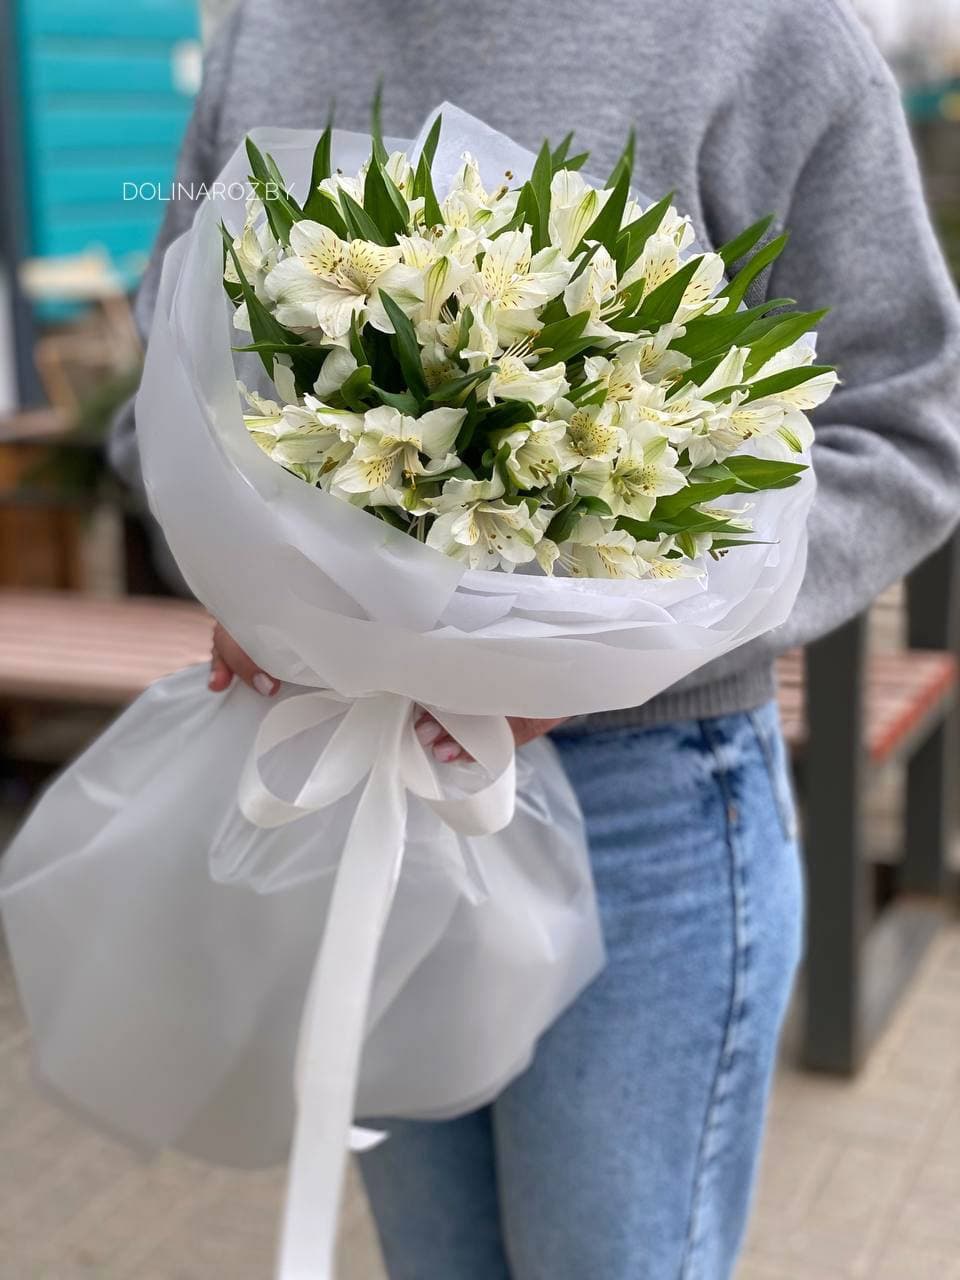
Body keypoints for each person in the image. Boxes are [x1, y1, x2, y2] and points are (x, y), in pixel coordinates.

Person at [109, 2, 960, 1275]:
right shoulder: (273, 30)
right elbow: (164, 394)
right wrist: (255, 587)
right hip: (370, 793)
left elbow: (905, 427)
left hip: (647, 816)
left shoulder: (766, 33)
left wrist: (607, 639)